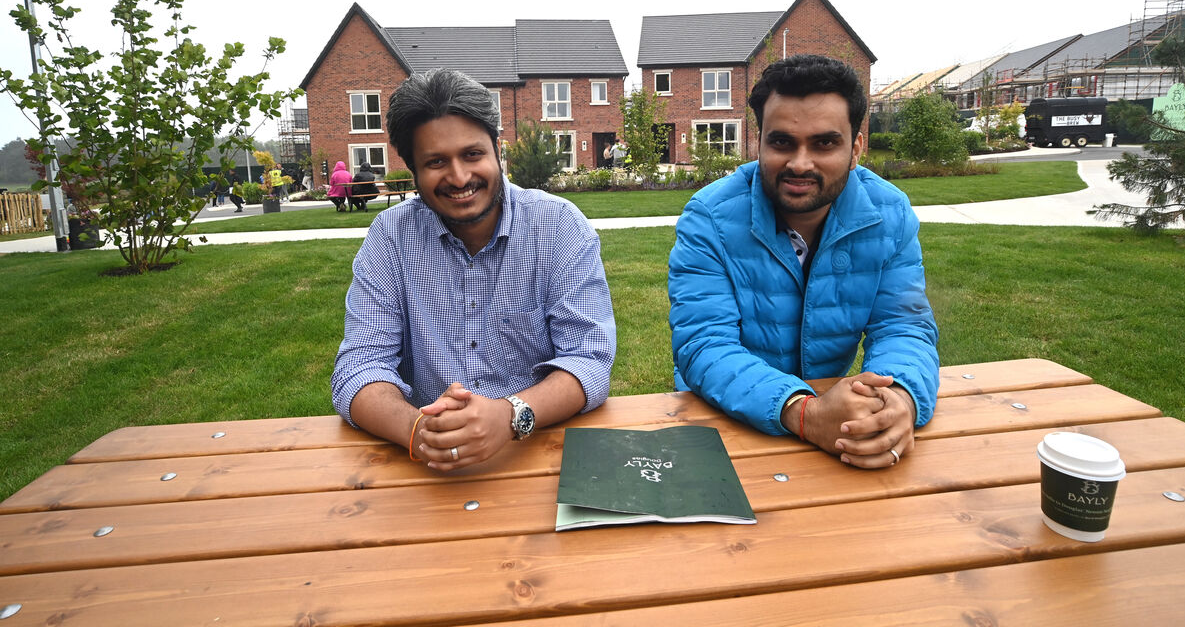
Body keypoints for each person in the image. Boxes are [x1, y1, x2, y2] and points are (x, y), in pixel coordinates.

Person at [331, 68, 616, 471]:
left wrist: (509, 416)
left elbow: (589, 360)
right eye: (435, 162)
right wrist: (418, 430)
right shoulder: (391, 237)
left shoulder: (558, 226)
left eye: (472, 154)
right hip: (427, 466)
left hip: (540, 452)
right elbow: (358, 367)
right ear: (412, 168)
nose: (460, 177)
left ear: (498, 149)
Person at [668, 54, 939, 470]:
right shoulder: (710, 217)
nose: (800, 163)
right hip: (725, 418)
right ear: (758, 143)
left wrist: (895, 399)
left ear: (856, 148)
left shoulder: (890, 213)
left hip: (837, 424)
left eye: (825, 143)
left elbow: (904, 327)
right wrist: (804, 412)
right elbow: (704, 345)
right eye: (782, 142)